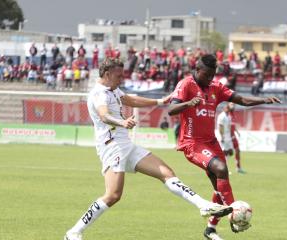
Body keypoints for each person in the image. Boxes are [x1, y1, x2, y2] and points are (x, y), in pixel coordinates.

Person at [64, 58, 232, 240]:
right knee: (113, 195)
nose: (122, 79)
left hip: (126, 145)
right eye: (119, 76)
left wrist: (160, 101)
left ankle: (203, 205)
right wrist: (122, 121)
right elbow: (104, 115)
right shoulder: (99, 94)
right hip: (112, 147)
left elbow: (130, 99)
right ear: (107, 74)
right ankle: (74, 232)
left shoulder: (113, 90)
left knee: (166, 173)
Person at [168, 54, 281, 239]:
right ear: (197, 71)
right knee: (221, 170)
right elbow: (171, 110)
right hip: (192, 143)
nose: (210, 79)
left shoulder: (216, 87)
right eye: (206, 75)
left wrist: (264, 100)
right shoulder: (186, 84)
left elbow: (241, 100)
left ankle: (210, 229)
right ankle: (234, 214)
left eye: (213, 75)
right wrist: (189, 103)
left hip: (211, 142)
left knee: (219, 186)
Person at [217, 103, 244, 174]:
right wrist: (222, 137)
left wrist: (234, 133)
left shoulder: (228, 116)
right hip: (224, 137)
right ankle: (223, 168)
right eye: (230, 105)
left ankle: (226, 167)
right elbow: (220, 127)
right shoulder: (222, 116)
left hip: (229, 136)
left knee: (230, 152)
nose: (232, 107)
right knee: (224, 153)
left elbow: (230, 126)